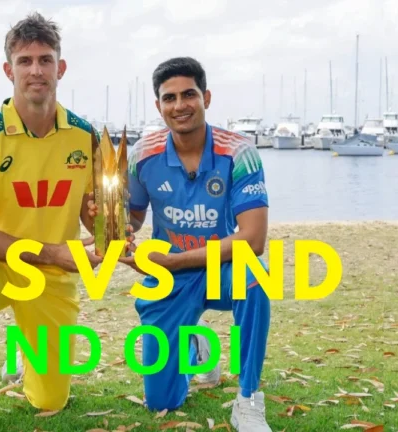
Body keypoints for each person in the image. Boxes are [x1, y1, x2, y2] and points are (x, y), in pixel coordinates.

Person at [0, 12, 104, 432]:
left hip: (51, 274)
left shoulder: (86, 137)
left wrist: (106, 231)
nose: (36, 70)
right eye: (25, 61)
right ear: (9, 70)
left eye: (45, 60)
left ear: (60, 69)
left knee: (51, 401)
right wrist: (55, 252)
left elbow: (94, 212)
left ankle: (24, 354)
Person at [90, 57, 272, 431]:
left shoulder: (239, 152)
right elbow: (135, 218)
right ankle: (195, 348)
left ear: (205, 97)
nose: (179, 105)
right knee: (163, 401)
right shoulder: (142, 154)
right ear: (159, 106)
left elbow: (253, 240)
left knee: (256, 278)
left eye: (188, 94)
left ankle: (249, 399)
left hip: (221, 268)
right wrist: (111, 222)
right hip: (169, 279)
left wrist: (175, 262)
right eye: (169, 98)